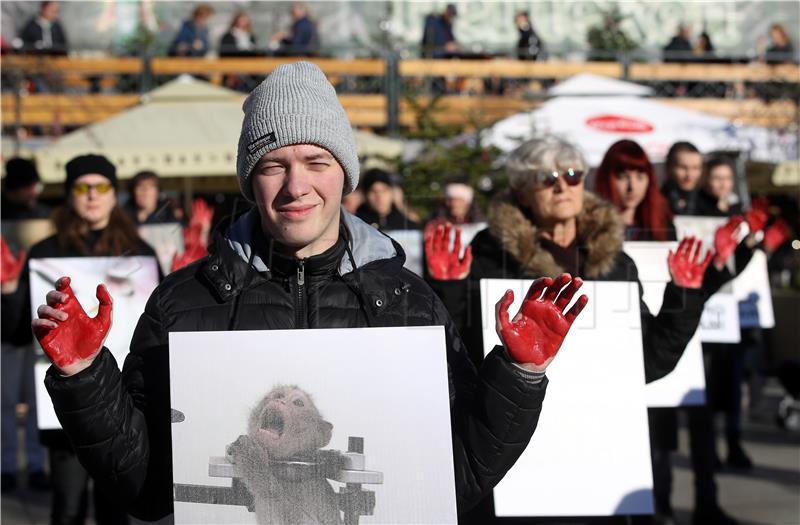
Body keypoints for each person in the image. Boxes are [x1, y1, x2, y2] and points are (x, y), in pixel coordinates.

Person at [33, 62, 588, 521]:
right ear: (251, 181)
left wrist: (517, 376)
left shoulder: (407, 302)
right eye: (274, 165)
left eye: (316, 162)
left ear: (344, 175)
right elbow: (146, 487)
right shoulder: (184, 304)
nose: (296, 187)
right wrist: (85, 377)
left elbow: (459, 476)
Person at [426, 134, 713, 522]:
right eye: (547, 177)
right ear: (523, 192)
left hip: (594, 462)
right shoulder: (488, 255)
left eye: (573, 174)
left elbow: (647, 363)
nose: (562, 184)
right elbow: (459, 361)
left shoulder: (615, 263)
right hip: (511, 465)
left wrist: (685, 298)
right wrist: (449, 290)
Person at [594, 139, 744, 525]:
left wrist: (720, 262)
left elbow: (694, 293)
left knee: (662, 443)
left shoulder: (665, 226)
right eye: (622, 175)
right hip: (606, 359)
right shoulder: (587, 231)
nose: (631, 185)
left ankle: (662, 509)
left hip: (659, 350)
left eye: (639, 175)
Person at [2, 154, 158, 525]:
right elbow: (14, 332)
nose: (92, 196)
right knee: (68, 507)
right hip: (66, 406)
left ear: (114, 194)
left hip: (120, 404)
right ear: (69, 195)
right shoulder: (44, 253)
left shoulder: (140, 252)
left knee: (116, 511)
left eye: (101, 187)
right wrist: (8, 291)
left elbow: (155, 326)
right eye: (82, 187)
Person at [355, 168, 420, 230]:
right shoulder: (356, 225)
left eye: (384, 190)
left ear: (392, 192)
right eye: (374, 191)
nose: (379, 197)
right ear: (365, 195)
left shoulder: (406, 226)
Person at [661, 141, 706, 216]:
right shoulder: (656, 202)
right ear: (668, 167)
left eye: (695, 168)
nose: (689, 175)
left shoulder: (709, 202)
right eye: (683, 167)